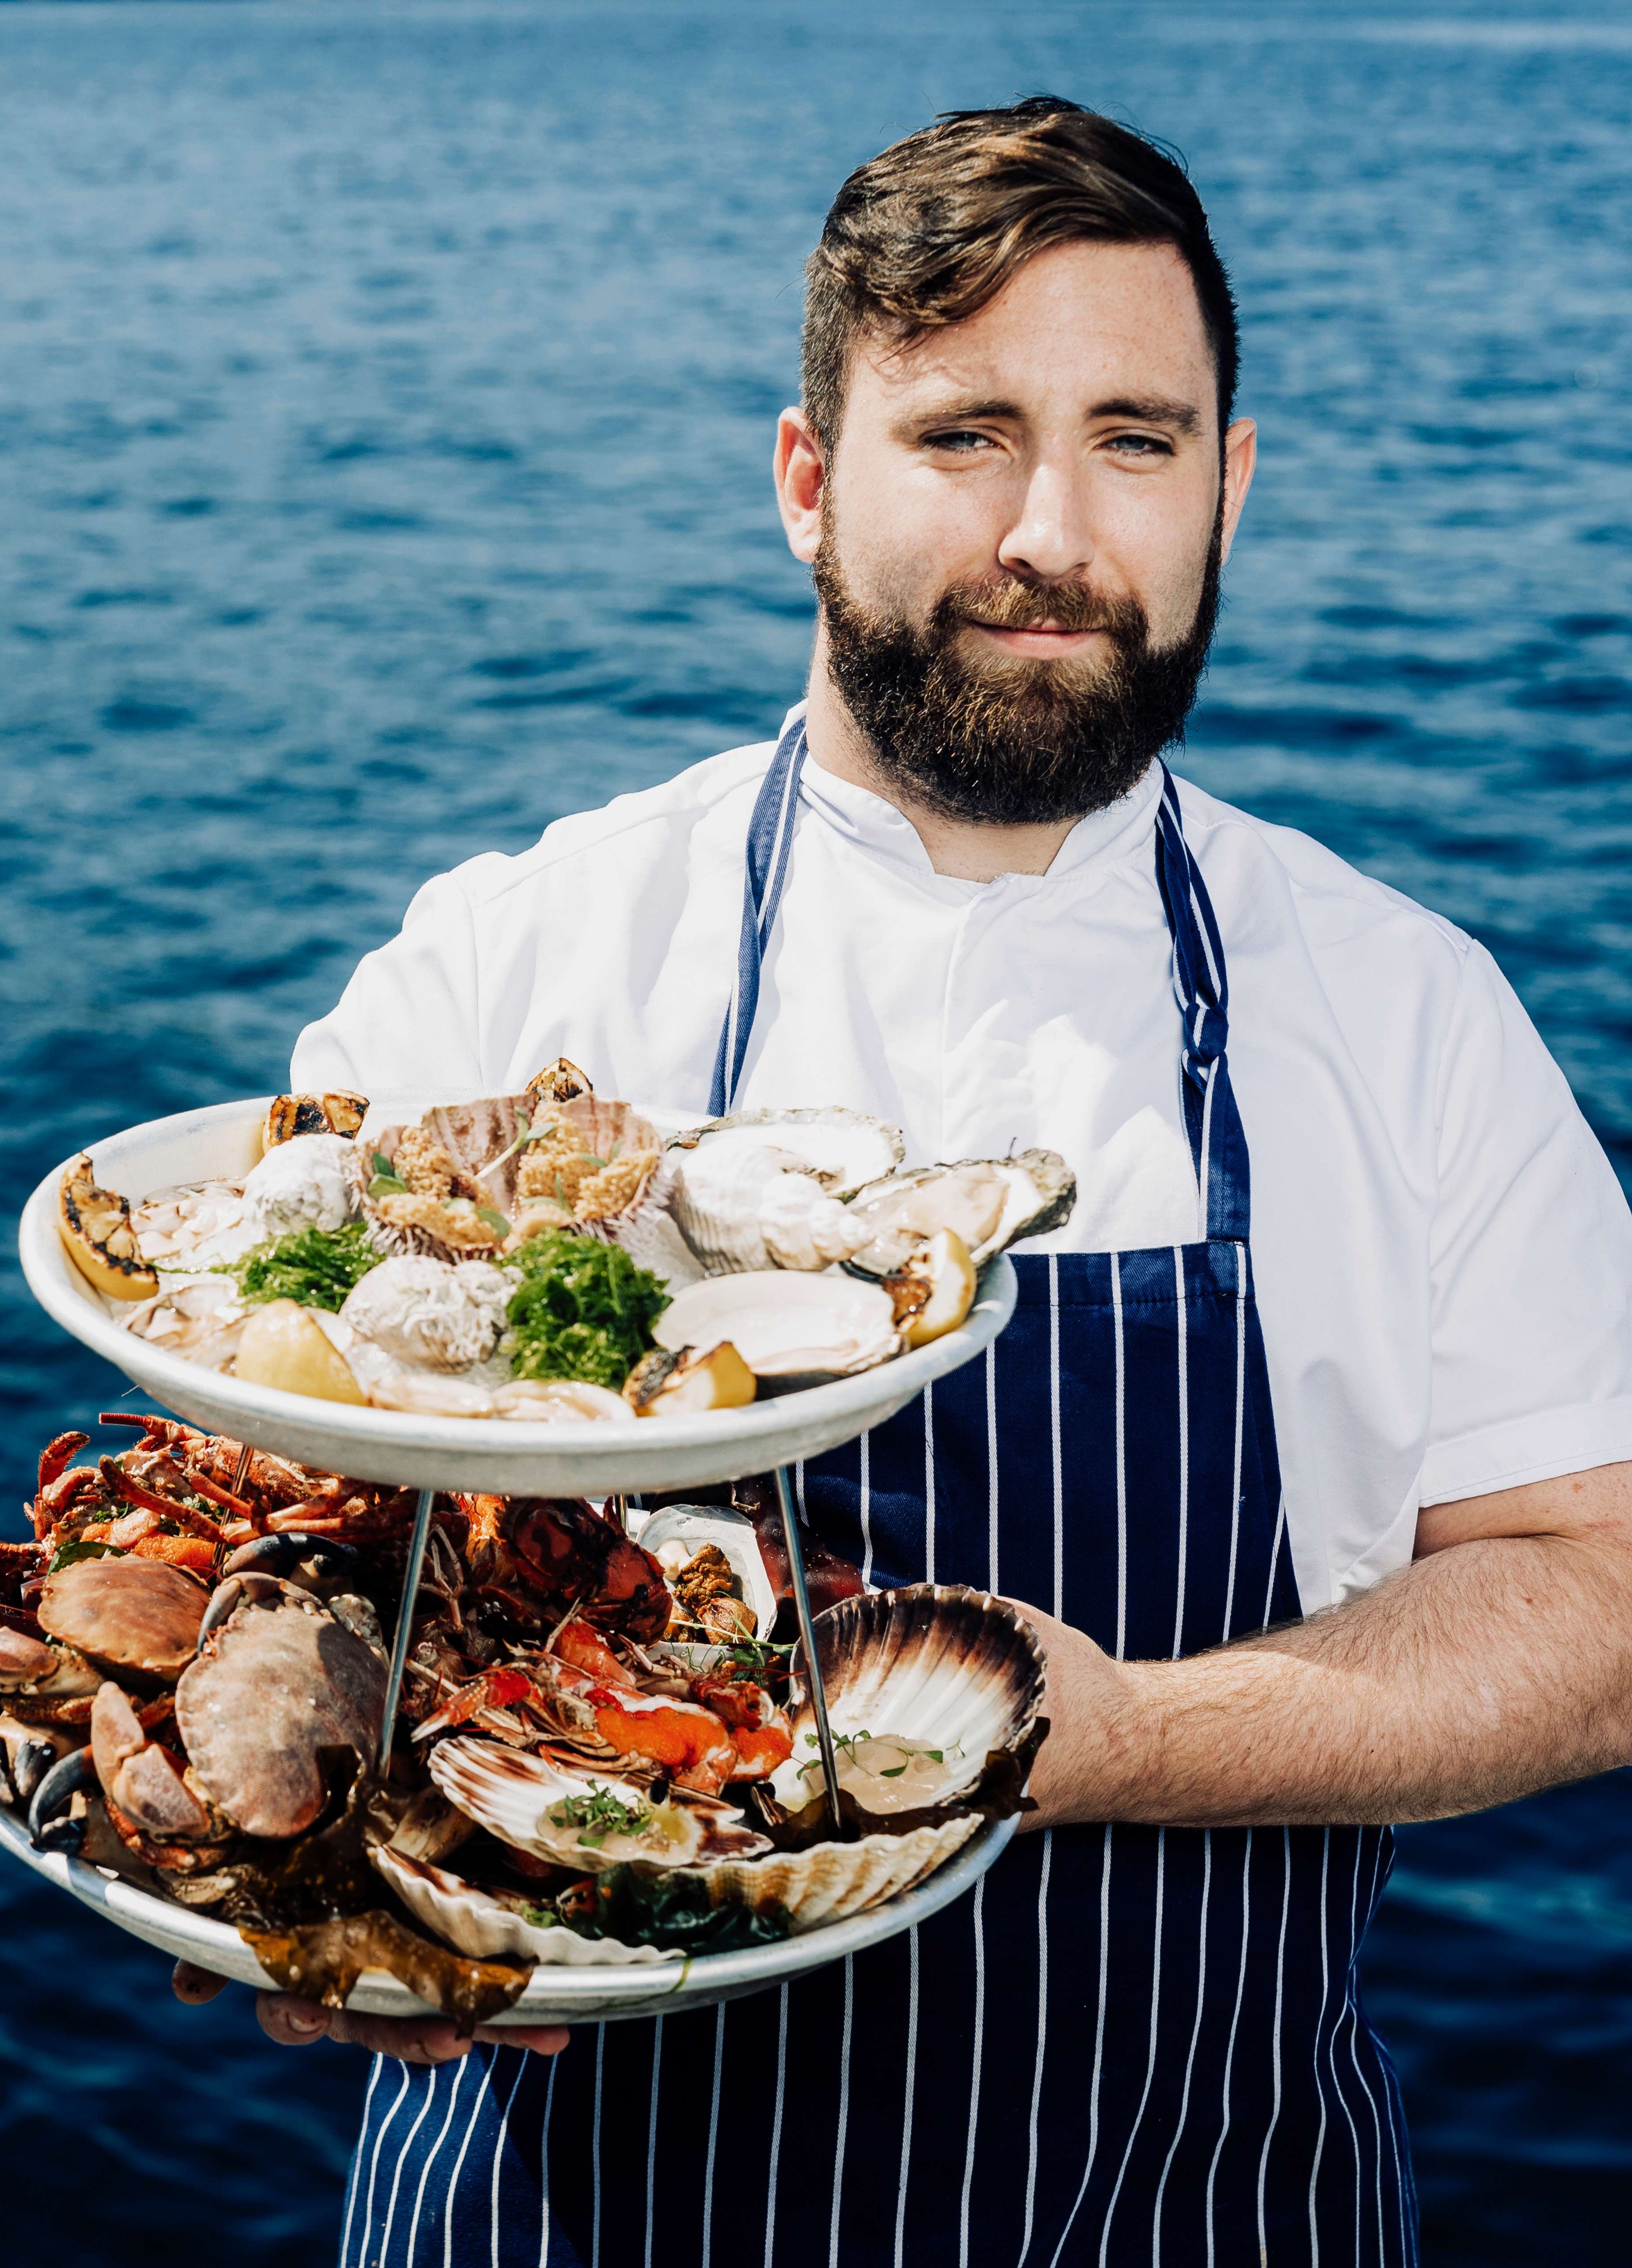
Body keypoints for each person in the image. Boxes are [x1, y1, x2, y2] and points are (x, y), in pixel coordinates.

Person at [176, 98, 1632, 2265]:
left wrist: (1125, 1734)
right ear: (802, 480)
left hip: (1204, 2212)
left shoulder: (1403, 1014)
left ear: (1227, 490)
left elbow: (1600, 1598)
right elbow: (253, 1527)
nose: (1053, 527)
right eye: (964, 433)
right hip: (549, 2211)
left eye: (1135, 439)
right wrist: (298, 1854)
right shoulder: (514, 964)